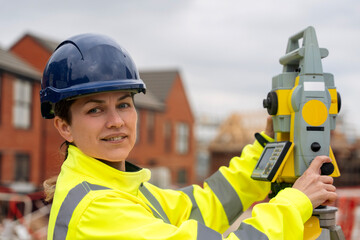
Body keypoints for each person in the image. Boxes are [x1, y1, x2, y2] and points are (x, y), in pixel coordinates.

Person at [41, 33, 337, 240]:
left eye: (123, 104)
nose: (116, 121)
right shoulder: (97, 208)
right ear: (64, 126)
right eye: (95, 110)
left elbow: (202, 208)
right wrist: (296, 204)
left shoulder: (117, 185)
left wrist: (265, 151)